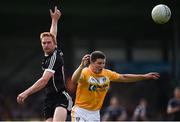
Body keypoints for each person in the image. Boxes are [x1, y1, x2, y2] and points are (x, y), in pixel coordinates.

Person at [17, 6, 73, 122]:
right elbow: (53, 34)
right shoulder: (50, 52)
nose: (46, 45)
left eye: (49, 43)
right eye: (44, 43)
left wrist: (26, 93)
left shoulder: (55, 57)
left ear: (54, 44)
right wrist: (54, 20)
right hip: (49, 100)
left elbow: (43, 81)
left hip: (61, 97)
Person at [71, 51, 160, 121]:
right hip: (80, 111)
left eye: (103, 63)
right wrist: (81, 66)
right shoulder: (84, 72)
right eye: (99, 63)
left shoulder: (107, 74)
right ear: (92, 62)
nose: (102, 66)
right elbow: (74, 80)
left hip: (95, 113)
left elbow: (124, 77)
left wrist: (144, 76)